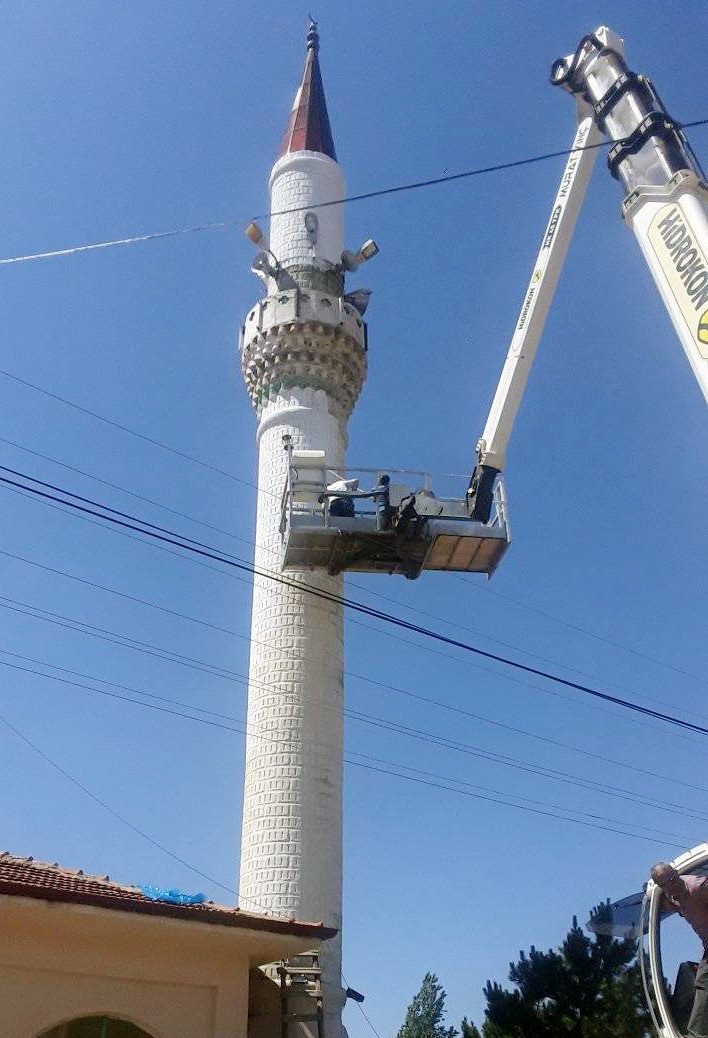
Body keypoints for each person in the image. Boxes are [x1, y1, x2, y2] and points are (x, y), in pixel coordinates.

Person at [652, 862, 708, 1037]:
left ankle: (697, 1034)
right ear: (661, 887)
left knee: (703, 981)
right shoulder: (673, 898)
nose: (672, 884)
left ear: (676, 873)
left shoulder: (698, 886)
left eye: (673, 878)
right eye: (666, 884)